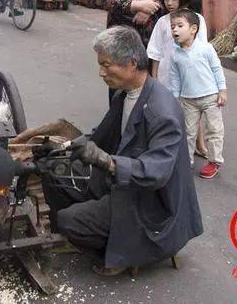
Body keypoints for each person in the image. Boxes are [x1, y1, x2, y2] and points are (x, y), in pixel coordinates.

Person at [41, 26, 203, 276]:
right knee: (53, 171)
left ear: (131, 63)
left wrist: (106, 161)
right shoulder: (125, 95)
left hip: (151, 201)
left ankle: (121, 253)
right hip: (123, 181)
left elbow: (155, 173)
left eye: (107, 65)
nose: (101, 72)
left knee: (68, 221)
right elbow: (102, 134)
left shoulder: (161, 112)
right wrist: (65, 146)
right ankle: (92, 231)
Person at [147, 0, 210, 160]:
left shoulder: (197, 20)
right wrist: (154, 78)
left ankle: (199, 143)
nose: (169, 3)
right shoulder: (162, 23)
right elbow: (155, 52)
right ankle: (169, 145)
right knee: (168, 111)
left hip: (191, 75)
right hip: (167, 76)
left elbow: (201, 49)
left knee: (193, 111)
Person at [170, 9, 227, 179]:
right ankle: (186, 162)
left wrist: (222, 90)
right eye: (172, 27)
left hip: (211, 97)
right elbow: (175, 78)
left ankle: (214, 161)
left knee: (214, 130)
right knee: (188, 132)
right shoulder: (175, 54)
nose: (175, 30)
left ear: (193, 29)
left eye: (180, 26)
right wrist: (175, 98)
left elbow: (217, 69)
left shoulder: (206, 48)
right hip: (188, 100)